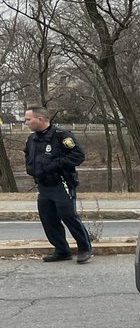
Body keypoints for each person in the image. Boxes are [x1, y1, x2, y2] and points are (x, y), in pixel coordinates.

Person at [23, 106, 92, 264]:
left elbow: (78, 155)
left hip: (61, 184)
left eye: (28, 119)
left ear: (40, 119)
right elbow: (28, 156)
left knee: (69, 216)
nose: (26, 122)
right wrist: (31, 169)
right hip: (43, 186)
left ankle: (85, 248)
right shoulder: (32, 139)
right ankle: (62, 250)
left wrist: (56, 165)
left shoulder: (61, 136)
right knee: (48, 219)